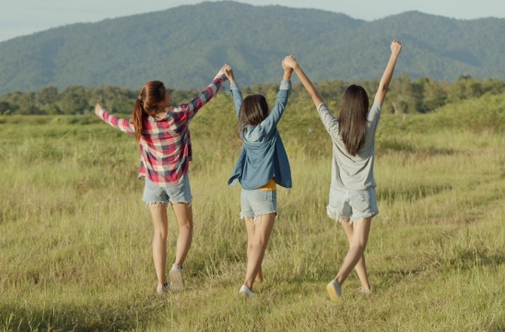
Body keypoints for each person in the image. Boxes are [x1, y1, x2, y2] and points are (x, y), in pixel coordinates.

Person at [284, 40, 402, 302]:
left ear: (345, 107)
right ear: (363, 106)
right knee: (359, 245)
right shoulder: (369, 126)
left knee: (353, 246)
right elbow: (383, 87)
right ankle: (337, 281)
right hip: (361, 194)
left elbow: (315, 95)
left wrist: (296, 67)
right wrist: (393, 56)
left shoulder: (335, 128)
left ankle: (366, 287)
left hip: (338, 194)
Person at [95, 65, 228, 295]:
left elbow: (115, 122)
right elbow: (205, 96)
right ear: (160, 100)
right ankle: (177, 266)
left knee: (159, 233)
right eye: (167, 92)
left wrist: (100, 113)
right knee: (185, 226)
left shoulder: (140, 124)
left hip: (153, 183)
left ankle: (161, 284)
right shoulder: (180, 115)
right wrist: (221, 76)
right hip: (177, 180)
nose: (171, 95)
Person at [224, 60, 293, 297]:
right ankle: (247, 285)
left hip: (247, 194)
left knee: (252, 241)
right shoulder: (266, 130)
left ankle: (258, 277)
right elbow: (281, 105)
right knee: (259, 243)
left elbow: (237, 105)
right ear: (262, 113)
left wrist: (232, 82)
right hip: (264, 192)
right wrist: (286, 74)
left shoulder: (244, 132)